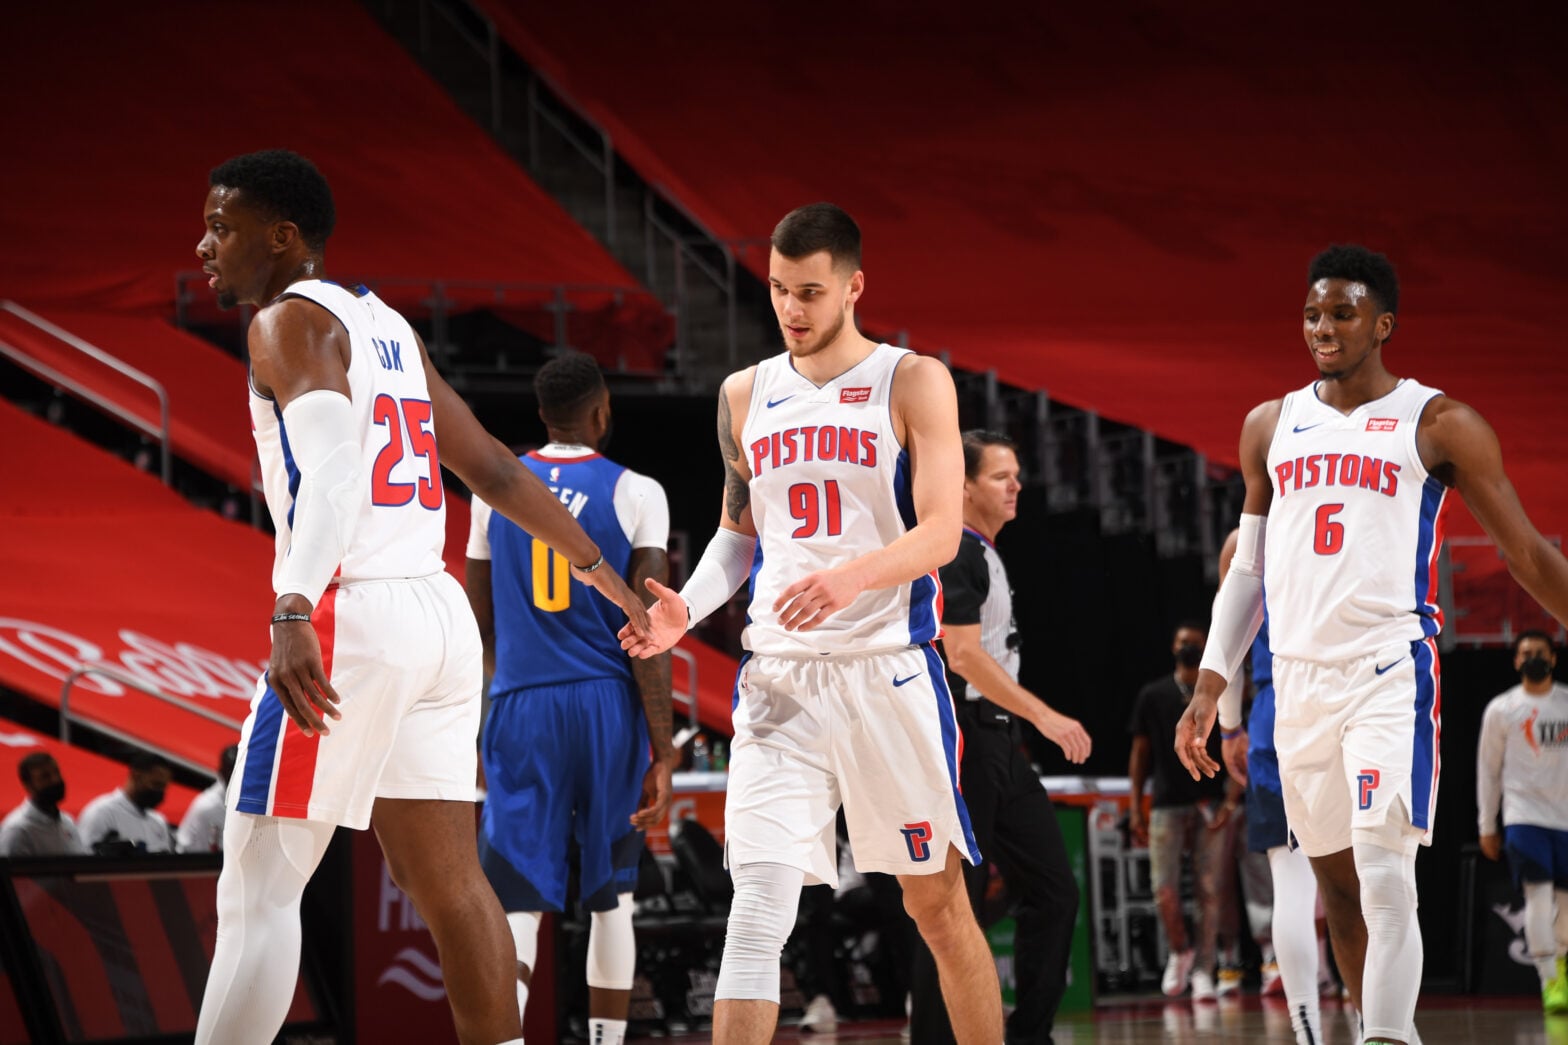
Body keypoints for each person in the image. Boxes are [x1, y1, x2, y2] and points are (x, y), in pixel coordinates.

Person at [190, 149, 649, 1045]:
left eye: (221, 226)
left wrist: (291, 607)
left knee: (257, 889)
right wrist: (610, 583)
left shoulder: (287, 324)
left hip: (351, 610)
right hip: (435, 615)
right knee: (450, 881)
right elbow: (496, 471)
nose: (204, 245)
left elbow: (329, 480)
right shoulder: (386, 324)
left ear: (282, 238)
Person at [620, 202, 1004, 1044]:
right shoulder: (743, 392)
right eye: (778, 290)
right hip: (781, 678)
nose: (792, 309)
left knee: (935, 906)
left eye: (810, 291)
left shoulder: (913, 379)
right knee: (757, 907)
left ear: (854, 286)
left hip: (886, 670)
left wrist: (849, 579)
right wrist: (690, 605)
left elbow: (941, 531)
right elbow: (736, 532)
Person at [1176, 244, 1568, 1045]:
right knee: (1340, 893)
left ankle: (1386, 1035)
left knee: (1387, 874)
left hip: (1390, 669)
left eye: (1342, 312)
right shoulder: (1269, 424)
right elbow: (1246, 570)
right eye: (1314, 313)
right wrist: (1212, 683)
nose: (1323, 327)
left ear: (1383, 323)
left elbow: (1526, 552)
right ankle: (1379, 1030)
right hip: (1297, 682)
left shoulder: (1439, 422)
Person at [466, 351, 676, 1045]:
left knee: (517, 902)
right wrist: (662, 746)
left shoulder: (492, 487)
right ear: (602, 410)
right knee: (612, 898)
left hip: (520, 702)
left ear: (541, 414)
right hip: (606, 705)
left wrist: (480, 725)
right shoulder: (638, 490)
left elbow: (479, 627)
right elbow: (649, 632)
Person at [908, 429, 1089, 1045]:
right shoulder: (955, 546)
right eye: (1000, 476)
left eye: (1017, 475)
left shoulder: (983, 550)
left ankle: (1028, 1034)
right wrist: (1046, 716)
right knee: (950, 905)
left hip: (999, 744)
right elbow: (961, 654)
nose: (1016, 486)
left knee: (1054, 894)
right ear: (962, 483)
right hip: (964, 736)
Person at [1212, 528, 1324, 1044]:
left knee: (1293, 888)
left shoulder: (1245, 538)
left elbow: (1227, 642)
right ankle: (1382, 1025)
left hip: (1277, 716)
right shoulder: (1362, 496)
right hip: (1352, 703)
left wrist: (1231, 725)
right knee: (1373, 883)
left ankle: (1306, 1031)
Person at [1129, 623, 1241, 1001]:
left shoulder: (1218, 692)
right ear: (1172, 648)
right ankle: (1180, 951)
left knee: (1210, 890)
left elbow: (1236, 741)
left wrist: (1230, 799)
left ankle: (1205, 970)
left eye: (1195, 645)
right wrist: (1135, 806)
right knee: (1165, 889)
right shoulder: (1154, 694)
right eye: (1183, 645)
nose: (1188, 650)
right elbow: (1140, 754)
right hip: (1166, 803)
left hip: (1208, 802)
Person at [1476, 629, 1568, 1014]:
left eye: (1540, 652)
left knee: (1564, 902)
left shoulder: (1566, 702)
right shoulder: (1501, 709)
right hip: (1523, 818)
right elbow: (1488, 770)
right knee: (1537, 894)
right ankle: (1550, 980)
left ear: (1553, 658)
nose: (1533, 657)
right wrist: (1487, 824)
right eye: (1526, 652)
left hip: (1564, 818)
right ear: (1515, 661)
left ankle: (1559, 963)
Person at [78, 752, 175, 854]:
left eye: (163, 787)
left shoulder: (158, 821)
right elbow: (84, 857)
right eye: (156, 784)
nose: (160, 791)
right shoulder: (102, 812)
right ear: (136, 776)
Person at [0, 752, 88, 857]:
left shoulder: (67, 821)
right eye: (45, 777)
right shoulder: (17, 829)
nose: (55, 780)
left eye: (57, 773)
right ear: (28, 785)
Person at [178, 744, 239, 853]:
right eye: (232, 771)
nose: (238, 776)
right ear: (221, 773)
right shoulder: (207, 807)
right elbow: (187, 851)